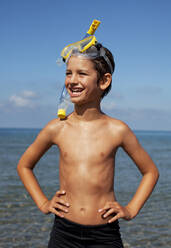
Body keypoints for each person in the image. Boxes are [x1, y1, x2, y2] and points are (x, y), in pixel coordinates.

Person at [17, 39, 159, 248]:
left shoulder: (117, 130)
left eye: (82, 74)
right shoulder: (57, 128)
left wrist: (130, 209)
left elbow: (150, 172)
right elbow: (24, 165)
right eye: (68, 73)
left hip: (105, 233)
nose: (72, 80)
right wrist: (44, 203)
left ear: (104, 81)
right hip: (64, 231)